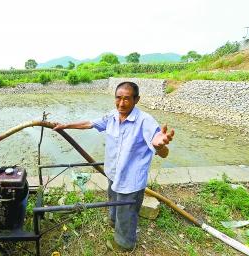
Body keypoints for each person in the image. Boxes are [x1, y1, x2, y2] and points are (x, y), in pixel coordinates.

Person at [53, 81, 174, 252]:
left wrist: (159, 146)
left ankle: (124, 244)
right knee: (113, 201)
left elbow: (163, 152)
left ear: (136, 100)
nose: (121, 103)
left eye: (127, 99)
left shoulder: (145, 121)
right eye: (118, 98)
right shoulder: (112, 116)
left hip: (130, 179)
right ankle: (113, 222)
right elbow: (90, 123)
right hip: (112, 173)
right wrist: (66, 125)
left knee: (127, 212)